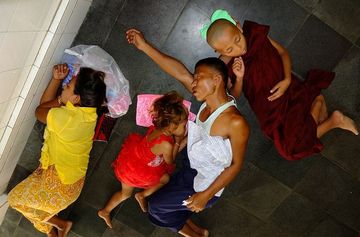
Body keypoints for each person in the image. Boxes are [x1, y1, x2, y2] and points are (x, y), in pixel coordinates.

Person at [126, 29, 249, 237]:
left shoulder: (236, 123)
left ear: (217, 80)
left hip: (204, 184)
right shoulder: (214, 99)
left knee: (156, 208)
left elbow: (236, 165)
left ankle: (194, 235)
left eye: (198, 78)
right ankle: (196, 230)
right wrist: (144, 45)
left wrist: (205, 195)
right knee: (165, 204)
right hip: (191, 164)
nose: (192, 83)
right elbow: (179, 72)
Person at [201, 9, 358, 160]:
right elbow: (234, 95)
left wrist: (287, 80)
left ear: (238, 26)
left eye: (237, 39)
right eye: (229, 49)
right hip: (269, 110)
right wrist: (240, 77)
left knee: (291, 148)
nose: (239, 48)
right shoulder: (223, 67)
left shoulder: (256, 35)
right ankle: (317, 102)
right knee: (290, 145)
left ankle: (333, 119)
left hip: (289, 90)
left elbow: (283, 53)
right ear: (218, 51)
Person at [7, 64, 107, 237]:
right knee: (21, 202)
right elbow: (46, 109)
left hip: (60, 184)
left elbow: (40, 111)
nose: (64, 86)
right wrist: (57, 82)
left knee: (14, 200)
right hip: (65, 180)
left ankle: (55, 227)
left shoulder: (67, 118)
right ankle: (58, 225)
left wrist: (60, 97)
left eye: (68, 86)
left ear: (76, 99)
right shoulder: (88, 113)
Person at [98, 91, 189, 228]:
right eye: (183, 125)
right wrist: (179, 141)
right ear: (172, 127)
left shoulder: (156, 127)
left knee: (125, 194)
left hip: (131, 162)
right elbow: (170, 161)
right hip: (140, 172)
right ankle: (142, 195)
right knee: (165, 179)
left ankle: (105, 211)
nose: (185, 127)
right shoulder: (167, 144)